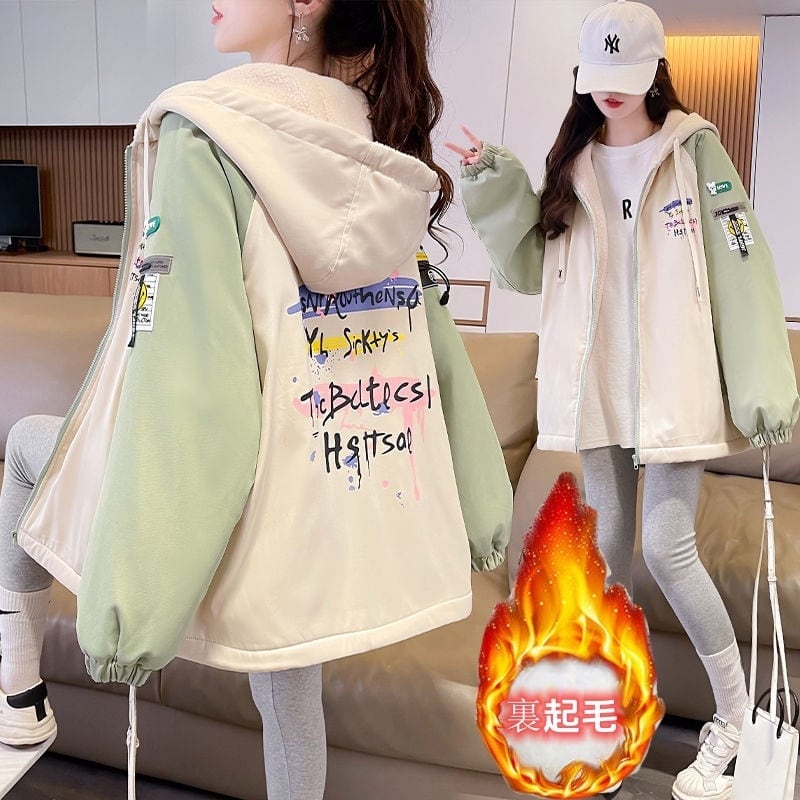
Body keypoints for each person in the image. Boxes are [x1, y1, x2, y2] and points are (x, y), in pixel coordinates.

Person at [1, 1, 512, 797]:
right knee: (290, 695)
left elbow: (191, 383)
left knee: (29, 447)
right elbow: (432, 343)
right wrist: (482, 513)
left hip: (225, 502)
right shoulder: (375, 152)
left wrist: (136, 603)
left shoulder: (206, 135)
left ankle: (19, 692)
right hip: (320, 498)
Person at [446, 2, 799, 800]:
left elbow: (742, 264)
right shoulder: (573, 161)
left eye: (627, 77)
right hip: (598, 387)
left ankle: (733, 720)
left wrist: (763, 386)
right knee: (606, 560)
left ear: (656, 72)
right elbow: (530, 268)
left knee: (667, 549)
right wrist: (494, 184)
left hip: (674, 387)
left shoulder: (695, 150)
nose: (611, 92)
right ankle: (612, 727)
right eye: (598, 77)